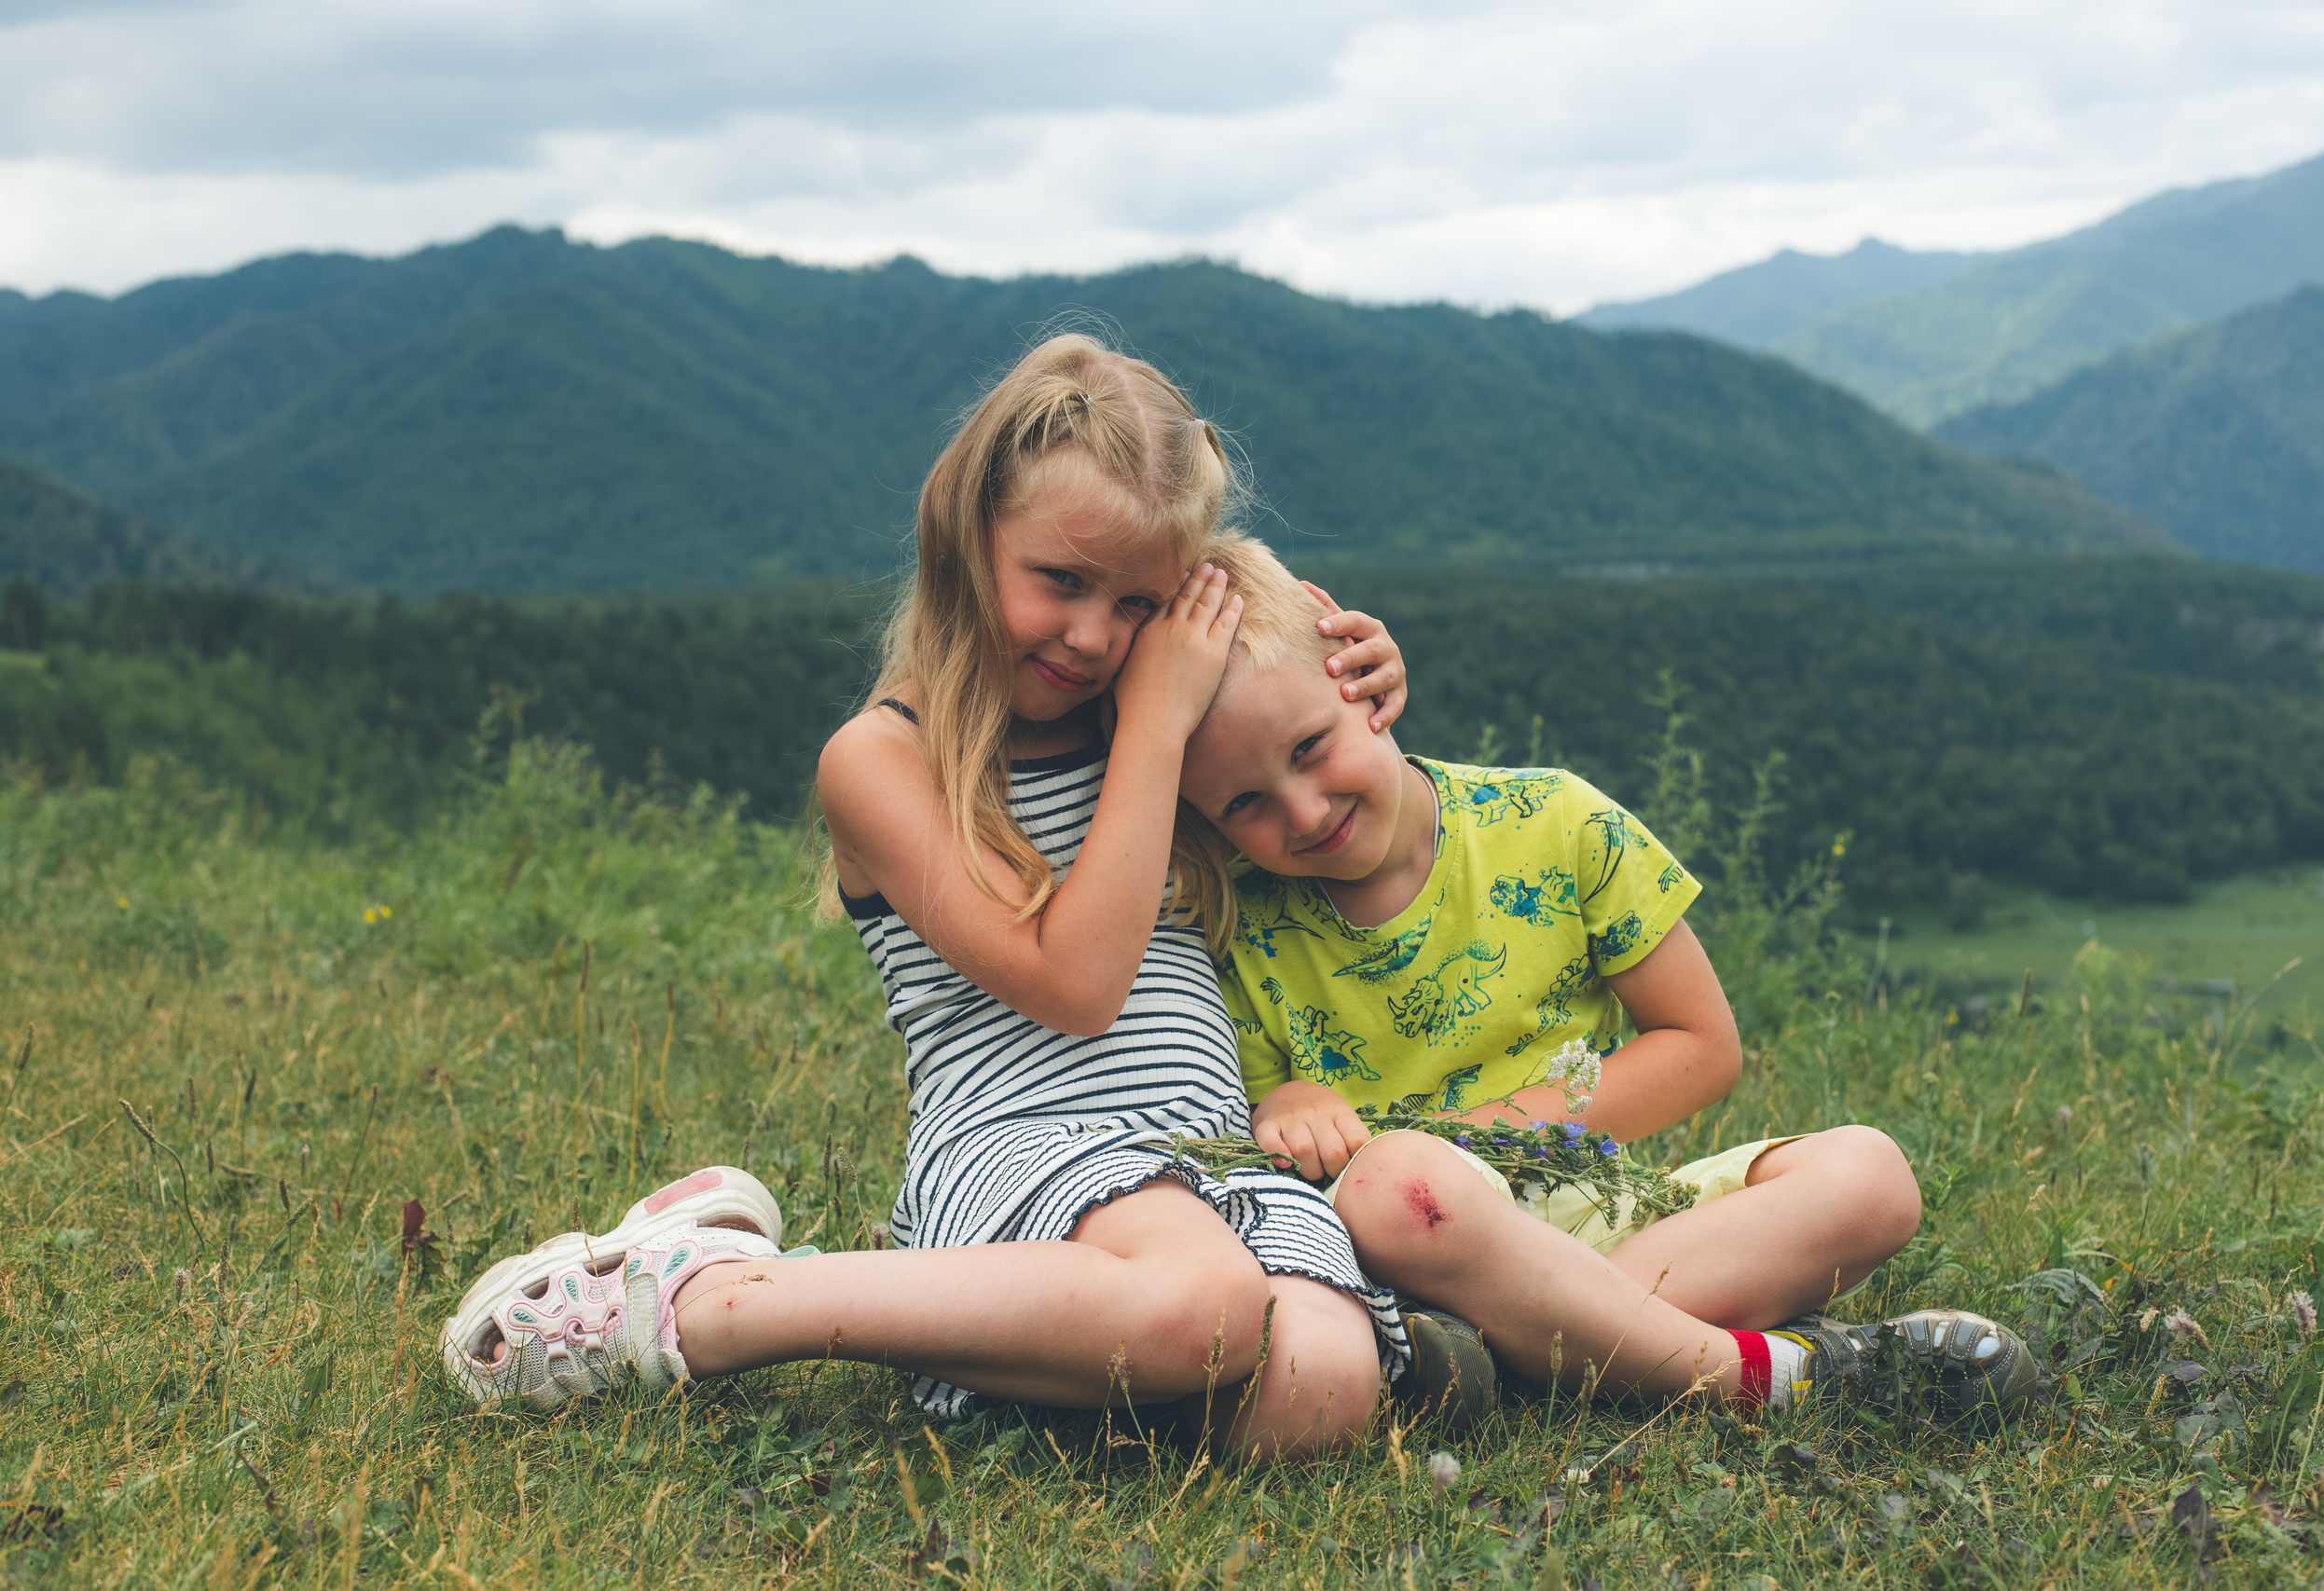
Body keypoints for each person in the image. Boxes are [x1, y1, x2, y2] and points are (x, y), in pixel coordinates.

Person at [438, 334, 1418, 1461]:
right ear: (965, 528)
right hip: (1024, 1144)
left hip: (1211, 1151)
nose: (1094, 637)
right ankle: (714, 1301)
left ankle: (1054, 1351)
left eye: (1140, 603)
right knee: (1203, 1311)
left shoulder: (1144, 715)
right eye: (1061, 581)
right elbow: (1077, 985)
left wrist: (1360, 687)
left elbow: (1315, 803)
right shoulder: (885, 761)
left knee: (1318, 1394)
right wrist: (1155, 725)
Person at [1174, 531, 2039, 1420]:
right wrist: (1285, 1107)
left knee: (1871, 1174)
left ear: (1356, 667)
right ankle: (1753, 1367)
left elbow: (1703, 1047)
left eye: (1310, 747)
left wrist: (1482, 1133)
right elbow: (1268, 1137)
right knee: (1396, 1188)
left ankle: (1522, 1352)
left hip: (1611, 1212)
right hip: (1423, 1241)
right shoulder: (1238, 929)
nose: (1303, 811)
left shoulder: (1558, 820)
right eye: (1243, 803)